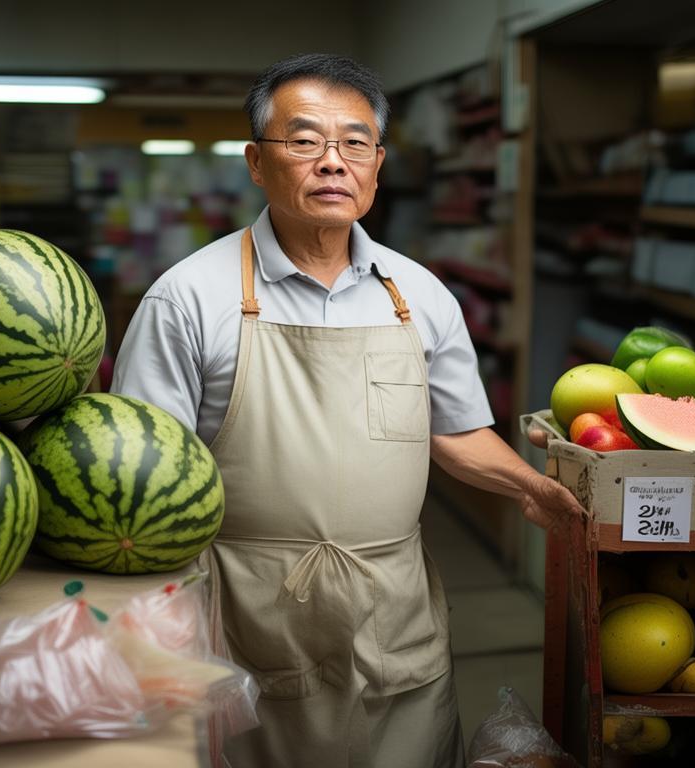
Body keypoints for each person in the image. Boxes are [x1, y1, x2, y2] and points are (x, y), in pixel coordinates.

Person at [111, 52, 584, 768]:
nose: (333, 162)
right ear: (256, 162)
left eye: (354, 143)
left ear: (378, 162)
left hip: (394, 613)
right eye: (304, 141)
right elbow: (138, 480)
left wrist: (531, 486)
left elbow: (455, 434)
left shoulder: (419, 295)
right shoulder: (187, 298)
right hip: (247, 611)